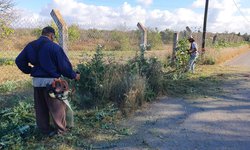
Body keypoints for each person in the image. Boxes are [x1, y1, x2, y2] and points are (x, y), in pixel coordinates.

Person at [15, 26, 80, 136]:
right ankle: (61, 132)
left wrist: (30, 70)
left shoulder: (31, 46)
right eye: (53, 37)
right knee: (57, 109)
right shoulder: (54, 47)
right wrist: (74, 75)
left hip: (37, 82)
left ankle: (45, 132)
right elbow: (64, 67)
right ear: (51, 35)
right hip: (52, 83)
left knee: (41, 108)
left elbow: (19, 60)